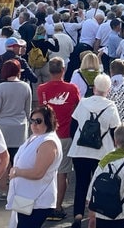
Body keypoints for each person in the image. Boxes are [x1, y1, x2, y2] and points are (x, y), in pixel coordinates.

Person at [68, 73, 121, 228]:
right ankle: (95, 216)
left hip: (80, 151)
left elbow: (73, 127)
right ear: (108, 89)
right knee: (99, 185)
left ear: (94, 87)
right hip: (102, 152)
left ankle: (78, 216)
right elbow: (114, 131)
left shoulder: (83, 103)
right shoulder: (111, 106)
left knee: (81, 184)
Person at [36, 57, 80, 222]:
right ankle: (57, 206)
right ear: (63, 70)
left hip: (46, 135)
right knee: (63, 172)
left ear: (49, 70)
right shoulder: (72, 87)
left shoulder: (41, 89)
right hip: (65, 134)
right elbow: (78, 105)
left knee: (46, 171)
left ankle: (45, 203)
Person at [6, 104, 63, 228]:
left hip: (38, 201)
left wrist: (16, 172)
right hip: (25, 197)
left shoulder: (48, 142)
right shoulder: (35, 137)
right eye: (31, 121)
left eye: (38, 121)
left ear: (49, 122)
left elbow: (38, 173)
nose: (34, 125)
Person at [0, 60, 33, 162]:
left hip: (2, 126)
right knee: (17, 161)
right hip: (20, 127)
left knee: (2, 162)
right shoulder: (26, 86)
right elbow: (28, 110)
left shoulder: (1, 87)